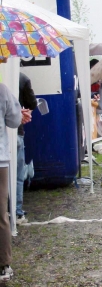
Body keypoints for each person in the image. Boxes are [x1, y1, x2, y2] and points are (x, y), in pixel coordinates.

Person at [0, 82, 24, 282]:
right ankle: (4, 264)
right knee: (1, 215)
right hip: (0, 160)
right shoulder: (1, 89)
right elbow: (14, 120)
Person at [16, 73, 37, 225]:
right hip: (15, 130)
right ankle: (16, 211)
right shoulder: (21, 78)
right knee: (17, 176)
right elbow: (32, 103)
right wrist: (20, 114)